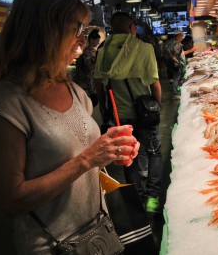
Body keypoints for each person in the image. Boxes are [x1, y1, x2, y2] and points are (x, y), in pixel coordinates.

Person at [0, 0, 139, 255]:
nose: (83, 40)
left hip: (97, 235)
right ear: (44, 31)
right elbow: (12, 199)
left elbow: (87, 156)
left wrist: (112, 151)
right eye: (75, 31)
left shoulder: (75, 90)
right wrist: (88, 159)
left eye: (84, 30)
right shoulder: (7, 103)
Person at [94, 12, 163, 213]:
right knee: (154, 154)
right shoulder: (144, 48)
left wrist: (104, 108)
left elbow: (99, 84)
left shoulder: (104, 50)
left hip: (119, 115)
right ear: (132, 28)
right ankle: (152, 200)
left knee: (128, 158)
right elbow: (155, 83)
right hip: (146, 113)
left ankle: (137, 200)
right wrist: (157, 105)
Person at [74, 29, 101, 106]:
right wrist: (99, 62)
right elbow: (89, 67)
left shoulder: (92, 51)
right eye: (97, 40)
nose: (98, 42)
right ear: (92, 40)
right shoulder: (88, 52)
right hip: (90, 81)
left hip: (93, 80)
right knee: (93, 101)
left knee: (94, 101)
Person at [163, 31, 187, 98]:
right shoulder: (176, 44)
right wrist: (178, 62)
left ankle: (177, 91)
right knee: (176, 77)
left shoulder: (170, 42)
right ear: (178, 35)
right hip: (176, 63)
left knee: (176, 77)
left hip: (171, 62)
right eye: (182, 36)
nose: (182, 38)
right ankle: (175, 93)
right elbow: (175, 55)